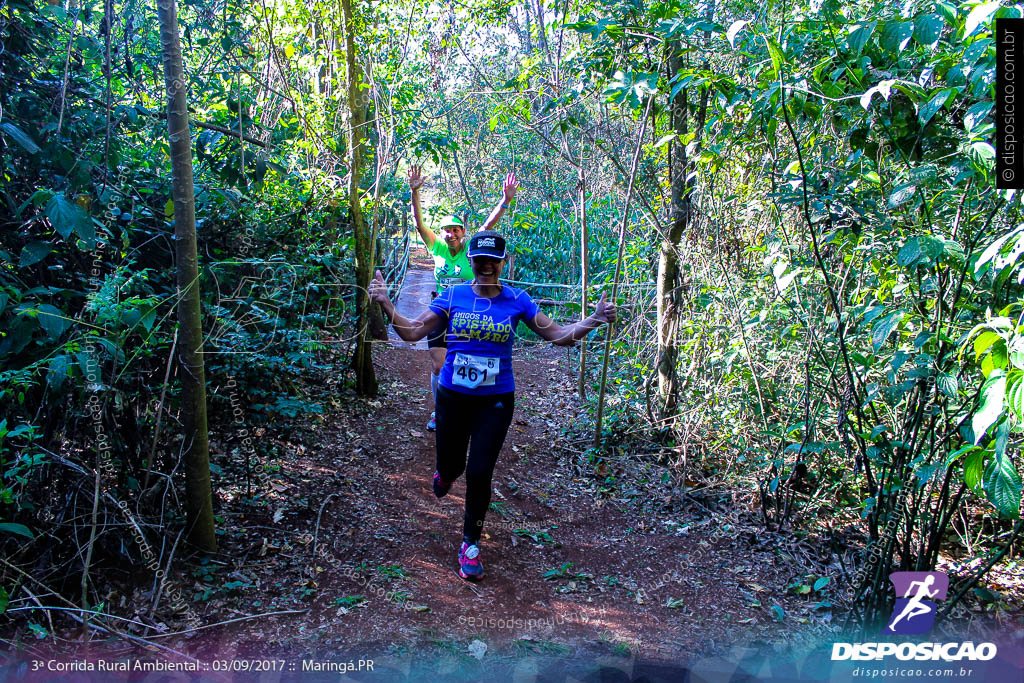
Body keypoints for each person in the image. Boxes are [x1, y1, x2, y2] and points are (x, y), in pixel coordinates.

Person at [369, 230, 616, 581]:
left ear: (503, 263)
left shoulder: (518, 300)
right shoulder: (452, 296)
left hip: (496, 401)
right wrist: (386, 303)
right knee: (453, 467)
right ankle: (445, 472)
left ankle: (470, 544)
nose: (486, 266)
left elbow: (557, 336)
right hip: (453, 397)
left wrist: (594, 319)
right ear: (470, 263)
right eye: (479, 261)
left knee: (480, 472)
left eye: (493, 261)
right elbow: (411, 333)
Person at [408, 166, 519, 431]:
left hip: (469, 313)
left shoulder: (471, 248)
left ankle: (470, 408)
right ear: (443, 233)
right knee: (439, 366)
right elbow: (418, 224)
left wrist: (505, 201)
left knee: (469, 362)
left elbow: (489, 225)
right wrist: (415, 192)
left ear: (463, 232)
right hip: (441, 313)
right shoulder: (436, 247)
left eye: (456, 230)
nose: (452, 234)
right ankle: (441, 411)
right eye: (447, 230)